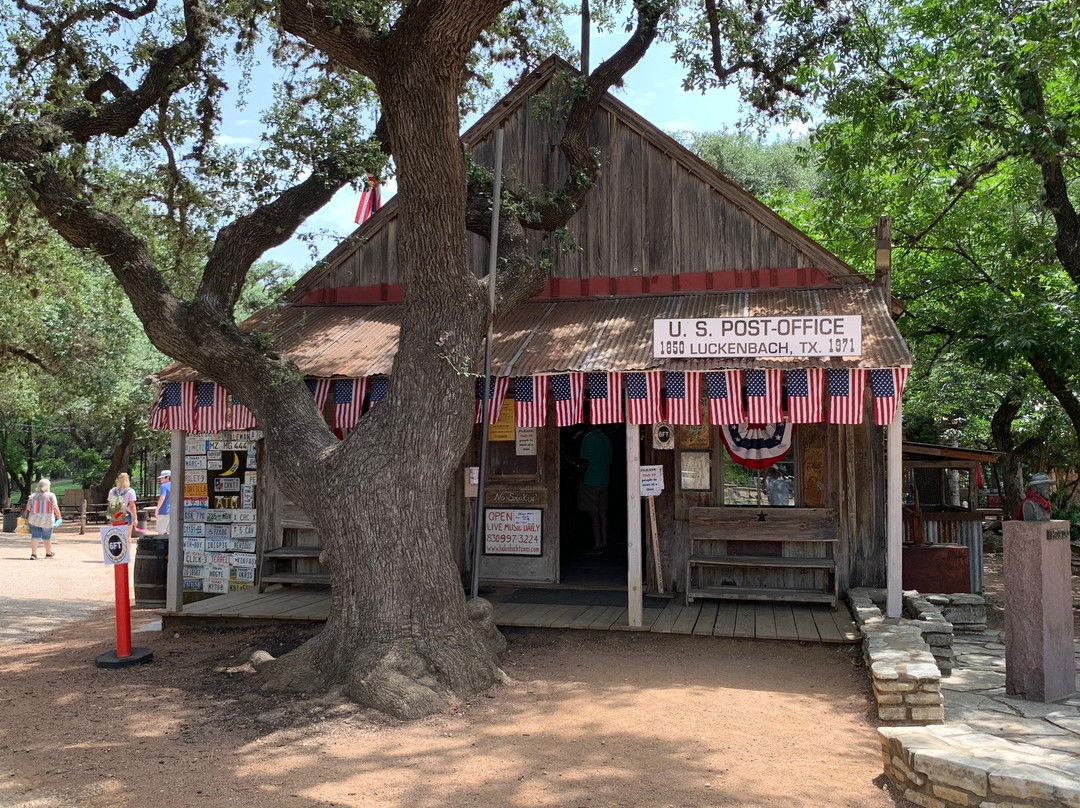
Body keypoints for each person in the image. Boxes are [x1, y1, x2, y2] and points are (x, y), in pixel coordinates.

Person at [578, 427, 613, 552]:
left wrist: (580, 478)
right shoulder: (607, 439)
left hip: (590, 480)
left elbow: (584, 461)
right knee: (603, 513)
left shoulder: (588, 438)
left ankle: (597, 543)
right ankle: (605, 541)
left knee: (593, 514)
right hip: (604, 480)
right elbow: (609, 462)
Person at [23, 477, 61, 560]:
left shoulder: (33, 496)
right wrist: (59, 517)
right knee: (47, 537)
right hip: (47, 520)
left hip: (34, 519)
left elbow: (28, 508)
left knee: (35, 536)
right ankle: (48, 553)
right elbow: (54, 507)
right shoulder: (51, 495)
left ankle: (33, 554)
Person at [153, 469, 172, 535]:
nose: (161, 479)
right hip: (172, 512)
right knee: (169, 533)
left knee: (160, 532)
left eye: (162, 478)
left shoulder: (163, 486)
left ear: (167, 477)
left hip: (164, 511)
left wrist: (157, 509)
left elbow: (162, 497)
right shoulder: (175, 485)